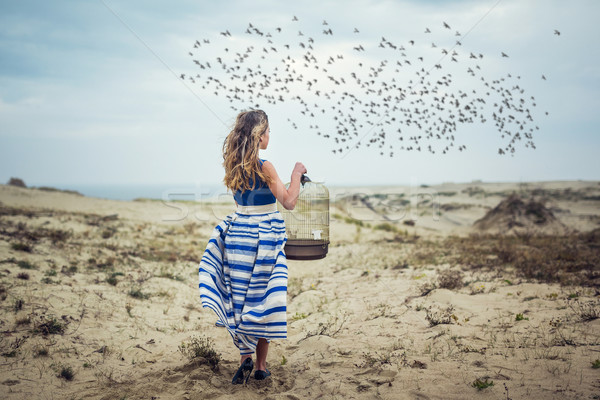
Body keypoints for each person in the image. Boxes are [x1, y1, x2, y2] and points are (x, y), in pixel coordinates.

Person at [198, 109, 307, 384]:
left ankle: (245, 358)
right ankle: (260, 366)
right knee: (264, 299)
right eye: (267, 131)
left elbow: (239, 205)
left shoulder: (233, 166)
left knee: (241, 298)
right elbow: (289, 202)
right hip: (264, 238)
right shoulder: (265, 166)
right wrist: (296, 174)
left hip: (238, 237)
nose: (270, 136)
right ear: (259, 136)